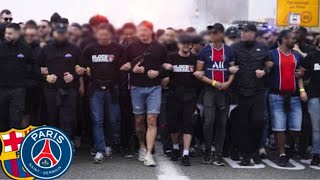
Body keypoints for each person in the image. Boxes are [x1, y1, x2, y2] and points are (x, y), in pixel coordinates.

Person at [121, 21, 167, 167]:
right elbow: (122, 66)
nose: (142, 33)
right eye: (140, 30)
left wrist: (158, 73)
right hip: (137, 88)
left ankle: (149, 153)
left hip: (154, 88)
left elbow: (168, 66)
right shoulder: (131, 47)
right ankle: (141, 146)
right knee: (139, 121)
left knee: (152, 119)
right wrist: (132, 70)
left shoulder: (159, 47)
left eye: (145, 30)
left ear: (151, 31)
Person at [78, 23, 124, 163]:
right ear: (97, 35)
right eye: (100, 34)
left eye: (106, 34)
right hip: (95, 88)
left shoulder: (118, 48)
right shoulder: (89, 49)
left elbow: (123, 67)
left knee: (112, 120)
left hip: (112, 89)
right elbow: (80, 65)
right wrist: (82, 73)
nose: (103, 37)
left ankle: (108, 145)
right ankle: (100, 150)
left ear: (110, 34)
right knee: (97, 120)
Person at [194, 23, 237, 166]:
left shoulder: (229, 51)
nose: (212, 35)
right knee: (208, 122)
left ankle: (218, 154)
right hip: (209, 91)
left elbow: (233, 71)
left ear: (221, 34)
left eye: (215, 33)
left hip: (224, 91)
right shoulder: (204, 52)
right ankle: (207, 150)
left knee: (222, 123)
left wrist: (228, 83)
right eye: (210, 33)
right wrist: (213, 83)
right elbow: (199, 74)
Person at [231, 23, 273, 166]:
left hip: (258, 91)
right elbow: (227, 64)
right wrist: (231, 69)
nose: (243, 33)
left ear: (253, 33)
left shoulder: (262, 48)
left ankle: (255, 149)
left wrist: (264, 72)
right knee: (242, 124)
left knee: (258, 122)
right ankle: (245, 154)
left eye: (247, 31)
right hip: (240, 91)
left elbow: (269, 65)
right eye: (242, 31)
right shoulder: (234, 48)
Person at [268, 30, 306, 167]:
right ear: (284, 39)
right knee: (279, 127)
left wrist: (302, 89)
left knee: (296, 127)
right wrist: (266, 69)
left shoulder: (296, 55)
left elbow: (300, 73)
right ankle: (282, 154)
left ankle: (289, 146)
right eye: (292, 38)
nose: (294, 41)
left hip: (294, 96)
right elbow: (266, 69)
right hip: (277, 96)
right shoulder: (272, 54)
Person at [37, 23, 81, 139]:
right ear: (54, 33)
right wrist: (46, 77)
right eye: (58, 33)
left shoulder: (74, 49)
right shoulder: (46, 49)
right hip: (51, 90)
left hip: (69, 90)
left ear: (67, 33)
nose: (61, 35)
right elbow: (37, 68)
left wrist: (74, 76)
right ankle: (53, 146)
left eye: (63, 33)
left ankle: (67, 146)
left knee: (68, 120)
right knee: (52, 118)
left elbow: (84, 68)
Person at [166, 34, 198, 166]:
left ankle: (185, 153)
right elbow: (164, 72)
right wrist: (166, 75)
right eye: (183, 43)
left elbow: (199, 77)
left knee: (188, 125)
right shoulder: (171, 57)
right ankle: (175, 148)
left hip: (190, 97)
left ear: (191, 45)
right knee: (173, 125)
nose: (186, 45)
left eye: (188, 43)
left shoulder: (195, 59)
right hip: (174, 96)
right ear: (179, 44)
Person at [0, 23, 33, 132]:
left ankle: (13, 149)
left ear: (18, 33)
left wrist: (26, 83)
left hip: (18, 90)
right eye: (6, 33)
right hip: (2, 89)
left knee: (15, 120)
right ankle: (2, 147)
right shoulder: (1, 47)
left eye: (10, 33)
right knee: (2, 120)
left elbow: (32, 67)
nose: (7, 35)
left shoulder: (26, 49)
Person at [299, 39, 320, 166]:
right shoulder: (312, 57)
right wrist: (302, 90)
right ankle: (316, 154)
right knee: (317, 129)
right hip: (314, 96)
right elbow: (300, 74)